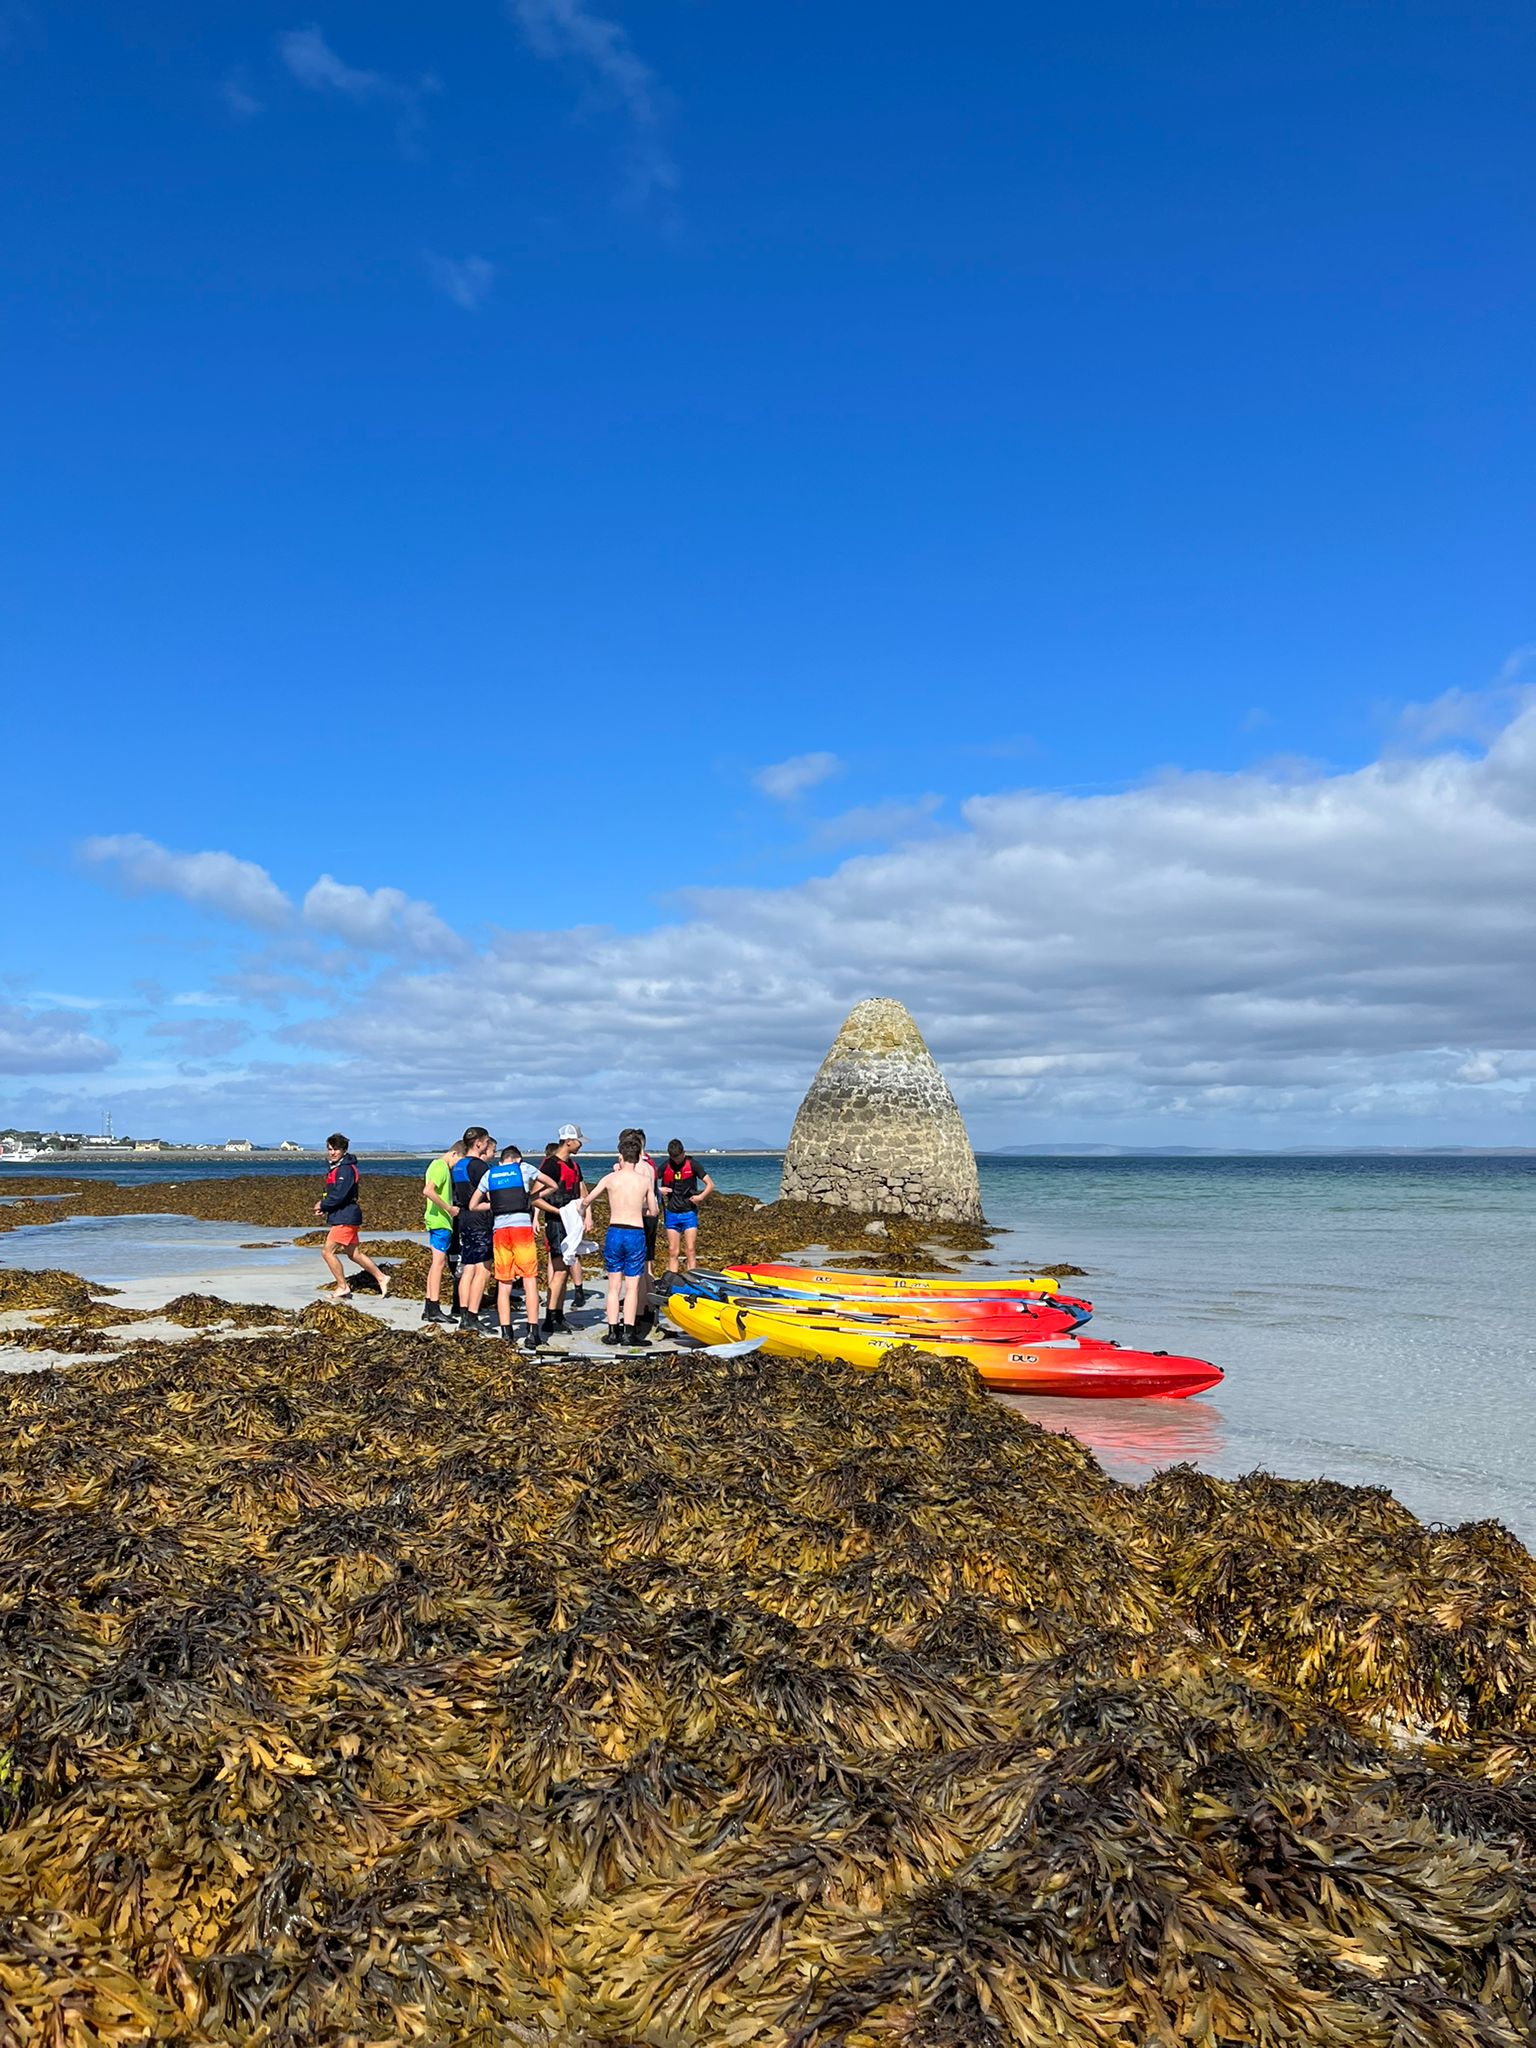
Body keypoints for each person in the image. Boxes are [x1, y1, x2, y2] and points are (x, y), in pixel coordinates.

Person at [471, 1144, 556, 1349]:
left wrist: (496, 1205)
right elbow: (552, 1184)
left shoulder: (489, 1174)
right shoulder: (524, 1168)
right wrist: (532, 1198)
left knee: (504, 1282)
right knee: (529, 1280)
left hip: (500, 1231)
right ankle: (532, 1332)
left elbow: (473, 1205)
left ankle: (507, 1333)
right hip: (522, 1230)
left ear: (502, 1160)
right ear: (517, 1159)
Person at [582, 1130, 657, 1346]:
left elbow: (587, 1199)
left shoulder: (610, 1178)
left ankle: (612, 1331)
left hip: (614, 1231)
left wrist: (585, 1215)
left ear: (620, 1157)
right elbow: (653, 1210)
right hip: (634, 1232)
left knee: (614, 1286)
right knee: (632, 1287)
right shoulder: (644, 1181)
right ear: (639, 1156)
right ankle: (629, 1333)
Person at [314, 1134, 391, 1299]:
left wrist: (323, 1204)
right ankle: (381, 1277)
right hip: (345, 1215)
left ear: (344, 1150)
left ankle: (342, 1286)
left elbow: (340, 1195)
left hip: (346, 1217)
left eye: (336, 1149)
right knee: (353, 1253)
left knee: (327, 1252)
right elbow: (334, 1193)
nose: (332, 1152)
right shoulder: (337, 1167)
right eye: (330, 1149)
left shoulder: (345, 1169)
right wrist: (325, 1206)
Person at [538, 1124, 588, 1335]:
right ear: (568, 1141)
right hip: (557, 1224)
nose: (580, 1145)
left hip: (572, 1224)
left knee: (566, 1269)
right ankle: (550, 1318)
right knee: (559, 1270)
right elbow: (535, 1197)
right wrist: (558, 1213)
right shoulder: (550, 1165)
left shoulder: (575, 1166)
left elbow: (582, 1191)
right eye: (578, 1141)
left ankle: (559, 1314)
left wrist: (586, 1214)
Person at [449, 1129, 497, 1331]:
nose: (487, 1146)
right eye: (486, 1142)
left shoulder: (458, 1165)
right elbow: (490, 1194)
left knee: (468, 1268)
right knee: (483, 1270)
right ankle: (472, 1316)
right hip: (479, 1220)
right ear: (478, 1143)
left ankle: (464, 1315)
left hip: (464, 1220)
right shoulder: (479, 1166)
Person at [419, 1137, 466, 1324]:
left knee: (435, 1265)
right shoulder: (440, 1166)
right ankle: (435, 1307)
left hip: (436, 1221)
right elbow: (428, 1191)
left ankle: (429, 1307)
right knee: (438, 1265)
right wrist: (449, 1208)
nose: (456, 1167)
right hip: (440, 1221)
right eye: (458, 1162)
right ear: (454, 1154)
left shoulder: (435, 1165)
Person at [657, 1138, 716, 1276]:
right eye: (674, 1158)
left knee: (690, 1249)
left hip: (689, 1213)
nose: (677, 1161)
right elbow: (648, 1183)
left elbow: (710, 1184)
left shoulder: (693, 1164)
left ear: (683, 1153)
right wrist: (659, 1189)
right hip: (671, 1213)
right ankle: (671, 1280)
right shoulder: (666, 1166)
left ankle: (692, 1280)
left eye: (679, 1157)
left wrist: (700, 1197)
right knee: (673, 1251)